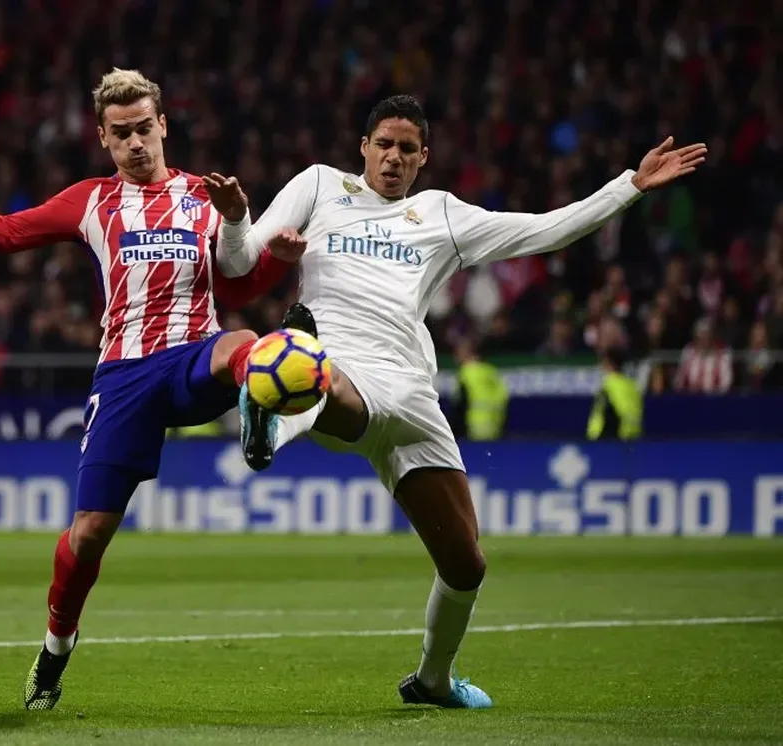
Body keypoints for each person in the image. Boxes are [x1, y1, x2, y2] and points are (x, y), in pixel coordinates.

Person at [204, 94, 705, 709]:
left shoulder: (439, 214)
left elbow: (544, 229)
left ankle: (433, 680)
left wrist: (628, 186)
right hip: (337, 362)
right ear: (363, 147)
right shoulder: (318, 186)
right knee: (318, 371)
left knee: (466, 564)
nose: (393, 157)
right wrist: (235, 219)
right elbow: (235, 261)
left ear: (424, 159)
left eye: (407, 149)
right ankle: (273, 418)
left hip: (412, 390)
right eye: (383, 144)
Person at [0, 68, 308, 711]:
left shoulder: (204, 192)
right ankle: (55, 652)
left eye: (145, 128)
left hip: (195, 352)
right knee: (88, 535)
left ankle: (262, 407)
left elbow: (239, 279)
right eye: (122, 134)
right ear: (104, 140)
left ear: (164, 125)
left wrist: (242, 223)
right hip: (125, 378)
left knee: (244, 342)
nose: (136, 142)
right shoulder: (90, 201)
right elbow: (3, 234)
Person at [451, 338, 508, 441]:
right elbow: (503, 397)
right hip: (495, 426)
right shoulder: (491, 371)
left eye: (458, 353)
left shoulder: (465, 372)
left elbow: (460, 403)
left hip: (473, 427)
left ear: (468, 353)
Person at [587, 347, 644, 441]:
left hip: (611, 442)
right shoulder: (632, 386)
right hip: (633, 439)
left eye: (603, 363)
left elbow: (613, 415)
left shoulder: (609, 386)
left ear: (609, 364)